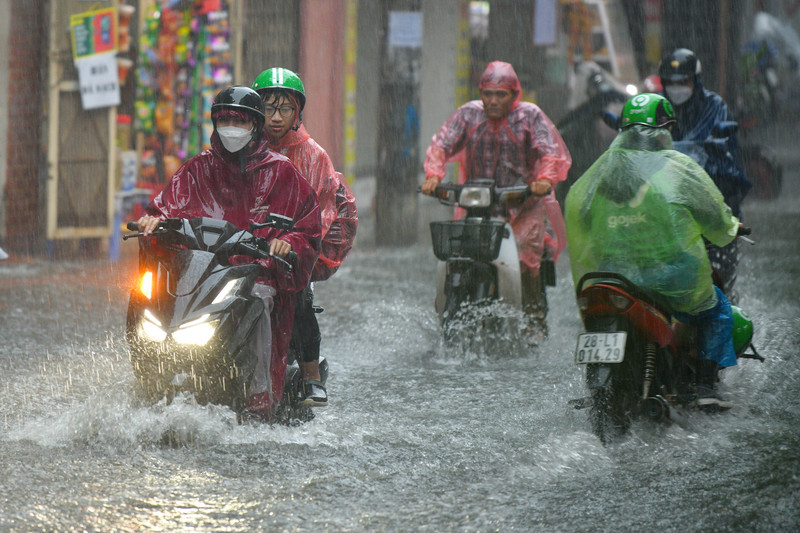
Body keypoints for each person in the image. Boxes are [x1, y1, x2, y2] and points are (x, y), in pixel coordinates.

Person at [136, 86, 322, 419]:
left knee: (259, 300)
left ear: (255, 126)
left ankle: (258, 398)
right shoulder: (196, 169)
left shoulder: (282, 173)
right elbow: (165, 207)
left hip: (256, 273)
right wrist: (153, 221)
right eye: (224, 120)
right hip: (199, 270)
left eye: (239, 122)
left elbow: (307, 228)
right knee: (151, 297)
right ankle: (148, 381)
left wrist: (287, 243)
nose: (231, 128)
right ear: (214, 123)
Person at [564, 93, 741, 409]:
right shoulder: (678, 168)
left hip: (612, 271)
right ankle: (703, 387)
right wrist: (730, 228)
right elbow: (715, 217)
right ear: (666, 129)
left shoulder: (600, 172)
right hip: (667, 273)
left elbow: (581, 215)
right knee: (717, 310)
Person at [421, 61, 571, 339]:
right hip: (478, 205)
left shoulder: (530, 116)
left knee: (526, 256)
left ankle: (533, 320)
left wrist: (544, 181)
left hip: (522, 204)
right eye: (487, 93)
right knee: (456, 254)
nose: (492, 100)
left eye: (500, 94)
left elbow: (549, 152)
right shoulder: (468, 114)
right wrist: (433, 175)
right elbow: (441, 144)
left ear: (515, 95)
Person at [252, 67, 358, 406]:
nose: (276, 117)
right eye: (269, 108)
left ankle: (311, 376)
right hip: (247, 247)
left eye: (285, 109)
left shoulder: (314, 155)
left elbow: (323, 210)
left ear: (297, 113)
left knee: (298, 299)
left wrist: (295, 241)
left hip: (292, 253)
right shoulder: (243, 147)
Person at [659, 48, 751, 300]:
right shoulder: (656, 107)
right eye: (670, 82)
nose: (676, 88)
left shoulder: (715, 107)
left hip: (709, 204)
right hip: (662, 207)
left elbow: (730, 165)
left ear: (695, 80)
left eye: (683, 82)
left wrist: (716, 152)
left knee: (717, 290)